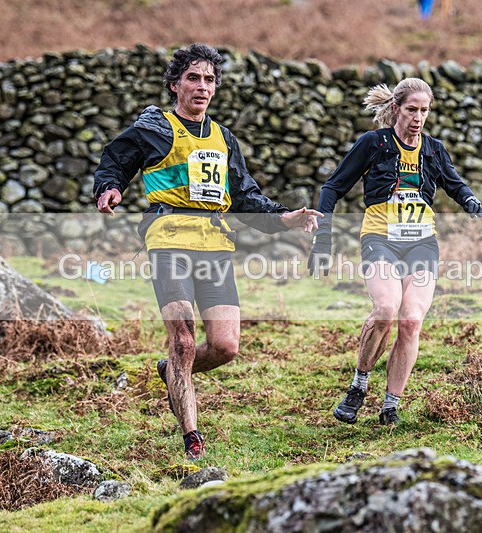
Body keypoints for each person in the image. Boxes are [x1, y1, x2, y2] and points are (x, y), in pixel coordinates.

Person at [94, 43, 322, 460]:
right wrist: (109, 187)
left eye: (210, 80)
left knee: (225, 347)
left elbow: (245, 197)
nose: (203, 87)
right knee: (182, 340)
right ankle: (192, 438)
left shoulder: (223, 138)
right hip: (169, 239)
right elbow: (115, 160)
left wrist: (286, 217)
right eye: (193, 78)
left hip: (215, 246)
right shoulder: (155, 128)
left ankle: (170, 371)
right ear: (174, 85)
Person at [308, 78, 482, 426]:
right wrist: (323, 238)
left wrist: (470, 200)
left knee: (411, 320)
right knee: (386, 309)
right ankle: (359, 385)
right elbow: (333, 186)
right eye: (411, 110)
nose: (418, 117)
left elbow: (454, 181)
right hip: (381, 239)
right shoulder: (373, 144)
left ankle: (390, 404)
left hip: (422, 242)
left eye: (424, 110)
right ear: (395, 109)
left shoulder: (433, 149)